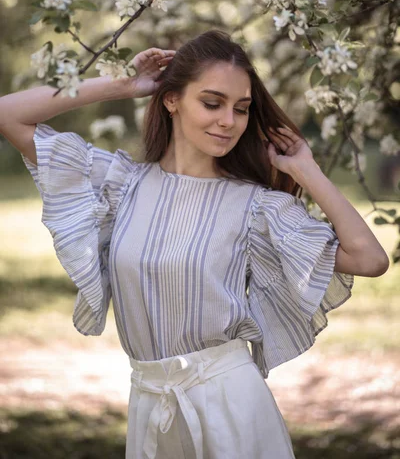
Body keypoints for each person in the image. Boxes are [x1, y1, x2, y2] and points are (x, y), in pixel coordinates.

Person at [0, 29, 389, 458]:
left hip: (229, 404)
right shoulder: (119, 185)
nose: (228, 121)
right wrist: (126, 85)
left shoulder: (255, 208)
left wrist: (307, 170)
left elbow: (370, 259)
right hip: (149, 402)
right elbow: (9, 113)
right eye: (211, 102)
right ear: (172, 100)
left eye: (241, 109)